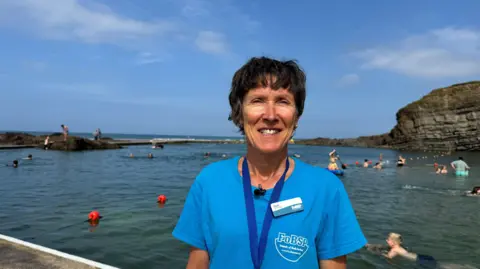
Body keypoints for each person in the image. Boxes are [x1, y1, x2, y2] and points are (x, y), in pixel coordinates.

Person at [172, 57, 367, 269]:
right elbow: (198, 260)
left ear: (297, 117)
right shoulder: (209, 181)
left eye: (283, 101)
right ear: (239, 113)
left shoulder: (327, 188)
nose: (271, 115)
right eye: (257, 100)